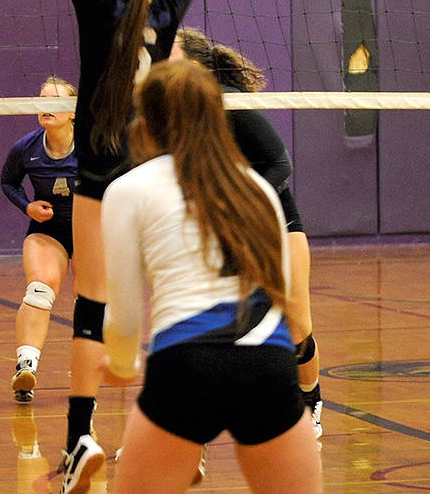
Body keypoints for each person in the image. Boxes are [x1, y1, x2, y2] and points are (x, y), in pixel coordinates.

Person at [0, 0, 213, 493]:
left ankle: (81, 438)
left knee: (88, 308)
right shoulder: (170, 9)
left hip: (96, 172)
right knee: (174, 303)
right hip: (157, 176)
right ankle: (184, 445)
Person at [100, 60, 322, 493]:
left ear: (144, 124)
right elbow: (285, 298)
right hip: (267, 364)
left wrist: (122, 363)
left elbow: (124, 316)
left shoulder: (128, 188)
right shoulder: (257, 187)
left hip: (186, 363)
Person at [173, 27, 324, 438]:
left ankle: (310, 399)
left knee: (296, 323)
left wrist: (240, 199)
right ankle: (186, 427)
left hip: (275, 221)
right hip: (223, 227)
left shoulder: (227, 100)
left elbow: (280, 164)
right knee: (204, 322)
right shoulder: (176, 107)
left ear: (195, 63)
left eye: (171, 49)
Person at [0, 76, 79, 404]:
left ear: (73, 111)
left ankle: (83, 372)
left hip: (90, 229)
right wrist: (28, 205)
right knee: (40, 288)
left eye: (56, 100)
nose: (47, 105)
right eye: (43, 98)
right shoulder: (26, 148)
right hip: (49, 231)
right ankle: (25, 367)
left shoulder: (94, 144)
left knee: (87, 297)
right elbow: (8, 181)